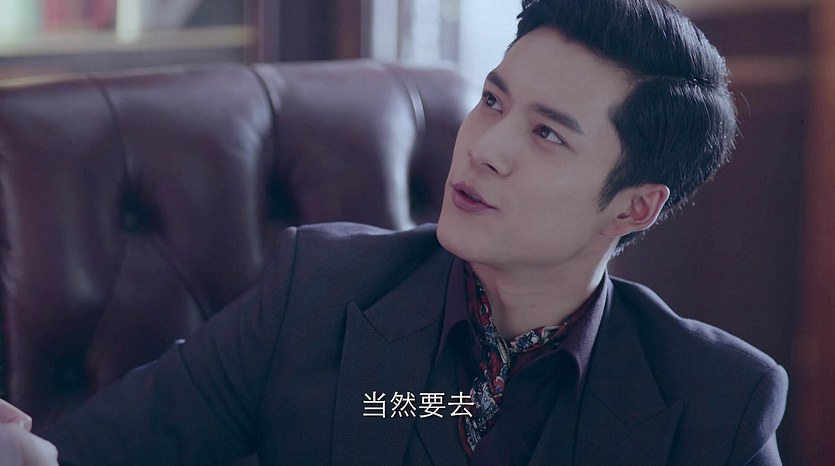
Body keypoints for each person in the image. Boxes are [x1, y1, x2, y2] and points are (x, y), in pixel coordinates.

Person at [1, 0, 788, 464]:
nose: (485, 147)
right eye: (492, 101)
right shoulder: (315, 294)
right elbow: (90, 454)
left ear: (633, 208)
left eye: (547, 134)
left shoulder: (715, 402)